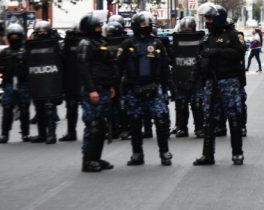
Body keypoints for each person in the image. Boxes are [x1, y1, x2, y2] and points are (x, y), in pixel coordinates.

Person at [193, 3, 246, 166]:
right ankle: (208, 155)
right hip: (211, 83)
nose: (208, 21)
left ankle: (237, 153)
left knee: (234, 117)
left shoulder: (233, 35)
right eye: (206, 18)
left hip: (228, 81)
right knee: (209, 119)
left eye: (210, 18)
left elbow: (240, 53)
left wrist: (217, 52)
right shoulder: (206, 38)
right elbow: (200, 60)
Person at [119, 12, 173, 166]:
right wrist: (117, 87)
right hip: (133, 88)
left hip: (154, 88)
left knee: (161, 121)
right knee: (135, 122)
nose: (146, 26)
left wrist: (170, 88)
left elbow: (165, 67)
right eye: (143, 24)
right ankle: (137, 154)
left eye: (148, 24)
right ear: (136, 26)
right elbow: (118, 67)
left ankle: (164, 152)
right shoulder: (127, 44)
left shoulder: (157, 44)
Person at [78, 11, 117, 172]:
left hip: (105, 88)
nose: (99, 28)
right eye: (96, 26)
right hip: (93, 91)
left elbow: (108, 65)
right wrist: (91, 90)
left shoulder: (101, 41)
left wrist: (111, 86)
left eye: (100, 25)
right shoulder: (85, 43)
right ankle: (88, 160)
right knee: (93, 124)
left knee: (101, 125)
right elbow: (83, 68)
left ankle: (97, 158)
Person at [26, 20, 64, 144]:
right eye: (39, 31)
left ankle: (51, 134)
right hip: (37, 80)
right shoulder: (30, 45)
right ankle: (42, 134)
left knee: (49, 109)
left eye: (44, 31)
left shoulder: (56, 44)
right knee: (39, 109)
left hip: (51, 81)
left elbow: (62, 61)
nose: (42, 33)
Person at [0, 24, 32, 144]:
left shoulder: (26, 51)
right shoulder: (4, 52)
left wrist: (23, 69)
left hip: (23, 84)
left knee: (25, 109)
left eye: (17, 36)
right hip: (9, 84)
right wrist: (7, 68)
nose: (15, 38)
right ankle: (4, 134)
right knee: (7, 109)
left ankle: (25, 134)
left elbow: (32, 67)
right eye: (12, 36)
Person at [170, 17, 205, 138]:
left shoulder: (201, 40)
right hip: (181, 77)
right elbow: (170, 58)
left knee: (197, 104)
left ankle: (199, 128)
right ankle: (182, 127)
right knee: (182, 104)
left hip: (195, 78)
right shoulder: (175, 41)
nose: (186, 30)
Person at [60, 27, 81, 142]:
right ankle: (71, 132)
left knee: (72, 109)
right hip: (75, 82)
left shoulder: (68, 44)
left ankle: (71, 132)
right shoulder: (67, 44)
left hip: (74, 82)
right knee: (72, 109)